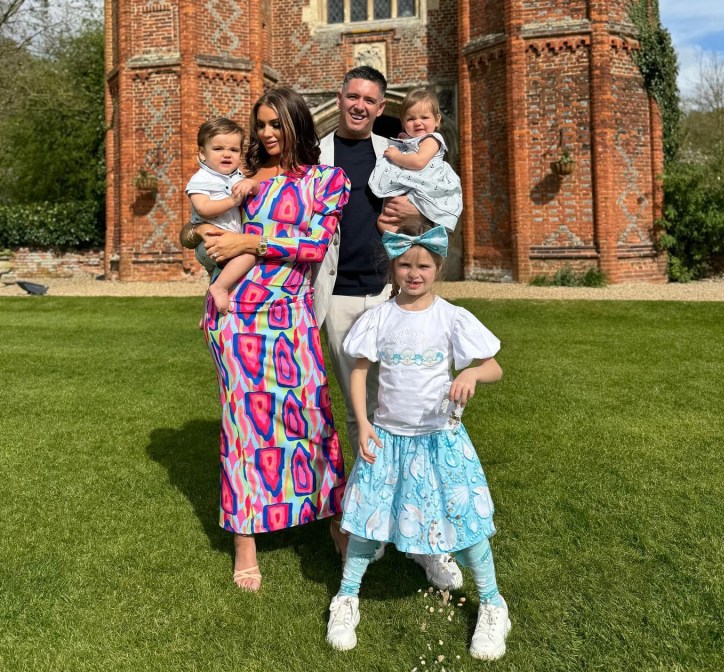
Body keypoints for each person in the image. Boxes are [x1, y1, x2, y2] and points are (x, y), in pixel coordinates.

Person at [183, 87, 351, 592]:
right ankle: (245, 540)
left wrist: (250, 241)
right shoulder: (246, 180)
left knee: (312, 419)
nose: (267, 134)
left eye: (276, 124)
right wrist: (200, 237)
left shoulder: (329, 181)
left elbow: (315, 244)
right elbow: (198, 227)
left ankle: (336, 526)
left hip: (292, 315)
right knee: (243, 429)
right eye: (261, 125)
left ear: (299, 123)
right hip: (238, 317)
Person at [325, 220, 510, 661]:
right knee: (368, 519)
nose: (414, 273)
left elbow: (495, 367)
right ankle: (347, 597)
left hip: (439, 440)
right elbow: (360, 371)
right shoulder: (379, 318)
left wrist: (470, 372)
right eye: (405, 264)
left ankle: (493, 604)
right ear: (392, 268)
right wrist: (364, 423)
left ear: (437, 268)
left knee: (462, 520)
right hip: (388, 438)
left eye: (423, 265)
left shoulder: (451, 318)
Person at [315, 66, 462, 591]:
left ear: (381, 108)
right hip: (335, 298)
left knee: (415, 410)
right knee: (363, 417)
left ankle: (427, 538)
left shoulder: (397, 152)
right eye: (352, 96)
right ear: (340, 99)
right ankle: (375, 524)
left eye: (370, 99)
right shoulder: (316, 155)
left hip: (390, 295)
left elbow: (441, 213)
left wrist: (408, 217)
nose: (359, 105)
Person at [184, 116, 255, 314]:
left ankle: (209, 312)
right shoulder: (202, 178)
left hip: (224, 240)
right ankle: (219, 289)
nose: (227, 154)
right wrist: (232, 201)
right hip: (209, 242)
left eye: (233, 150)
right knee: (249, 254)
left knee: (218, 274)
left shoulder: (237, 177)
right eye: (218, 149)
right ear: (202, 153)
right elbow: (203, 208)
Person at [369, 86, 463, 233]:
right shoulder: (409, 141)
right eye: (411, 119)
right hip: (411, 187)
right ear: (403, 122)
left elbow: (419, 161)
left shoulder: (431, 139)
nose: (417, 122)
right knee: (383, 222)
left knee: (412, 223)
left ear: (437, 120)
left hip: (426, 187)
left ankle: (423, 241)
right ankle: (402, 247)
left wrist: (396, 156)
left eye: (424, 117)